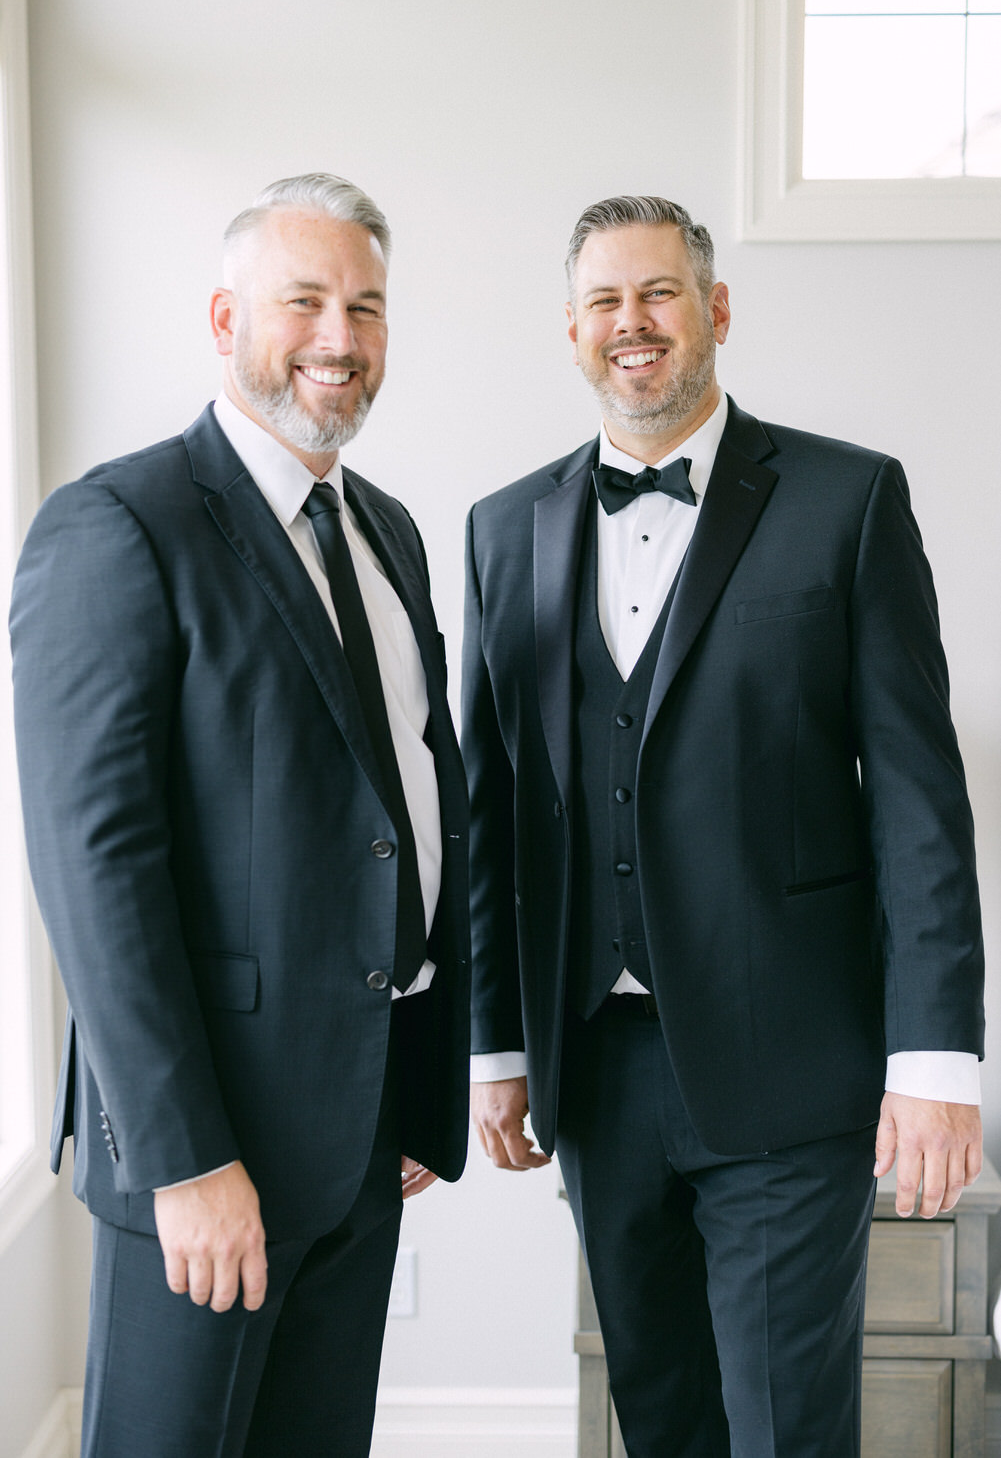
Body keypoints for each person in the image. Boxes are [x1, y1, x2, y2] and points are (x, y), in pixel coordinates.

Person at [462, 195, 984, 1458]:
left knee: (784, 1429)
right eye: (602, 301)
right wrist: (491, 1047)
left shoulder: (845, 500)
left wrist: (932, 1061)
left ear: (715, 310)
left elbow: (918, 795)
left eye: (656, 293)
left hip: (789, 1060)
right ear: (570, 329)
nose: (629, 324)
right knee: (662, 1418)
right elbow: (492, 813)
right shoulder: (503, 526)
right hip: (594, 1066)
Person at [10, 173, 469, 1458]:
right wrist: (182, 1160)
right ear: (226, 319)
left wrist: (422, 1079)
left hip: (362, 1125)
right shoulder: (116, 525)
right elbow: (93, 865)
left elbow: (412, 797)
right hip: (207, 1149)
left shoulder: (389, 534)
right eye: (305, 301)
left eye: (366, 308)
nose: (340, 337)